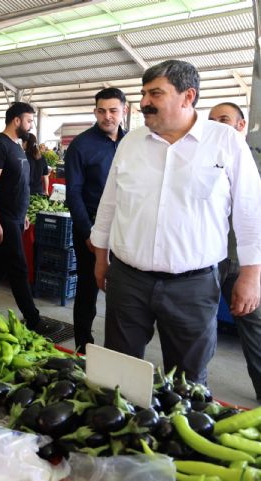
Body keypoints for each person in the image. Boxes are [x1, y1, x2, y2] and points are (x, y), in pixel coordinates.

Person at [91, 60, 261, 384]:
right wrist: (101, 258)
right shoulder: (131, 143)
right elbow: (109, 204)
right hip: (129, 281)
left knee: (188, 378)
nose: (143, 103)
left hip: (192, 287)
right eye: (143, 94)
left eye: (155, 93)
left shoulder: (226, 142)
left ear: (187, 97)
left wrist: (252, 275)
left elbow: (250, 211)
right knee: (118, 371)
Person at [64, 87, 127, 353]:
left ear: (124, 110)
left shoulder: (133, 142)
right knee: (88, 287)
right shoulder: (81, 145)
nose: (107, 116)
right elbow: (74, 193)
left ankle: (119, 348)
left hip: (124, 228)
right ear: (95, 112)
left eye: (113, 110)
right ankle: (83, 343)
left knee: (124, 290)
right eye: (102, 111)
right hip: (90, 225)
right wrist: (89, 233)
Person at [208, 101, 261, 400]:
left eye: (224, 120)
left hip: (242, 263)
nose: (217, 125)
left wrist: (254, 272)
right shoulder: (202, 159)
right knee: (197, 330)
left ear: (241, 125)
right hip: (207, 259)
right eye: (212, 120)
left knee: (254, 328)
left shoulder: (256, 161)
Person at [0, 102, 50, 333]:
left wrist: (23, 215)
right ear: (17, 120)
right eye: (29, 120)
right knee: (19, 268)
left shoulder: (17, 147)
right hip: (3, 218)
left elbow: (18, 185)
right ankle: (34, 319)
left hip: (15, 218)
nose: (31, 125)